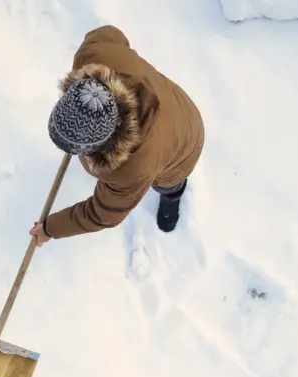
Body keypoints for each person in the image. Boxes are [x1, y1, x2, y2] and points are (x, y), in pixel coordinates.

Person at [29, 24, 205, 247]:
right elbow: (110, 34)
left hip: (185, 142)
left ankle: (172, 196)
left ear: (102, 143)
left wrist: (49, 228)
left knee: (169, 181)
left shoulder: (132, 167)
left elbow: (101, 213)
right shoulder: (94, 56)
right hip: (174, 100)